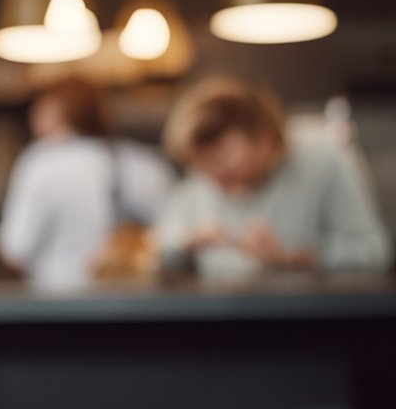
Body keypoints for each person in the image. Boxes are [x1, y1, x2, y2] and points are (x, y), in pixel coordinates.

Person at [155, 77, 391, 278]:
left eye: (223, 157)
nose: (212, 174)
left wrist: (290, 257)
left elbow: (373, 251)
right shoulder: (203, 178)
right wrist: (187, 242)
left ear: (264, 136)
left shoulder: (323, 157)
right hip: (218, 322)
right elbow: (159, 250)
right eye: (201, 163)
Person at [0, 76, 174, 289]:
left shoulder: (40, 163)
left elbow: (14, 248)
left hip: (60, 305)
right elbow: (172, 241)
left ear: (54, 112)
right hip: (134, 306)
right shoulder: (144, 164)